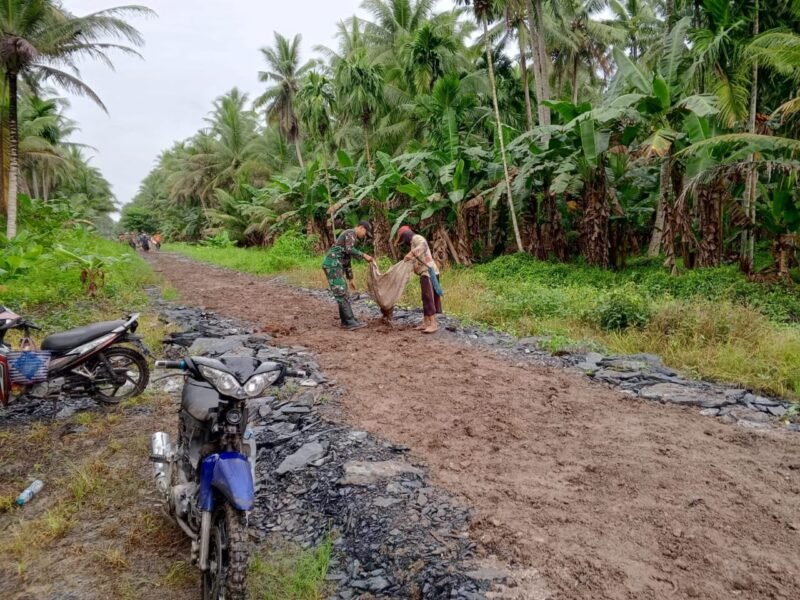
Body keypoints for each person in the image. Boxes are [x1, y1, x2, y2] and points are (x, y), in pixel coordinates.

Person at [322, 221, 374, 329]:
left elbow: (347, 259)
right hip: (333, 265)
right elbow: (349, 250)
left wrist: (351, 278)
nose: (364, 236)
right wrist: (364, 255)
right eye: (365, 233)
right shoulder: (351, 233)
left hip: (337, 266)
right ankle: (349, 321)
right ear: (361, 228)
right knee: (341, 293)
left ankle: (347, 321)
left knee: (343, 292)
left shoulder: (351, 236)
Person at [397, 225, 442, 334]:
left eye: (403, 239)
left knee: (429, 298)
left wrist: (411, 254)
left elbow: (424, 245)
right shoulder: (413, 243)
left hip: (428, 272)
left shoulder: (417, 238)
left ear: (406, 235)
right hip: (425, 273)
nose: (403, 242)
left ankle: (433, 324)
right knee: (425, 298)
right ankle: (426, 322)